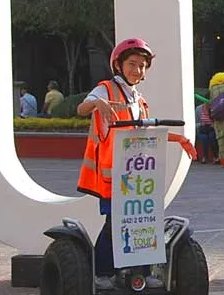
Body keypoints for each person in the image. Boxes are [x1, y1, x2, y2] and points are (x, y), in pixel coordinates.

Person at [76, 38, 197, 290]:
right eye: (132, 64)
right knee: (114, 225)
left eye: (142, 66)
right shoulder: (106, 90)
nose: (137, 70)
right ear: (118, 65)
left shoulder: (139, 100)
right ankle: (102, 272)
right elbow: (82, 108)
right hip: (113, 177)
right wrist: (97, 103)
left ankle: (141, 272)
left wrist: (178, 139)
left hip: (137, 178)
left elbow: (144, 135)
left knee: (143, 222)